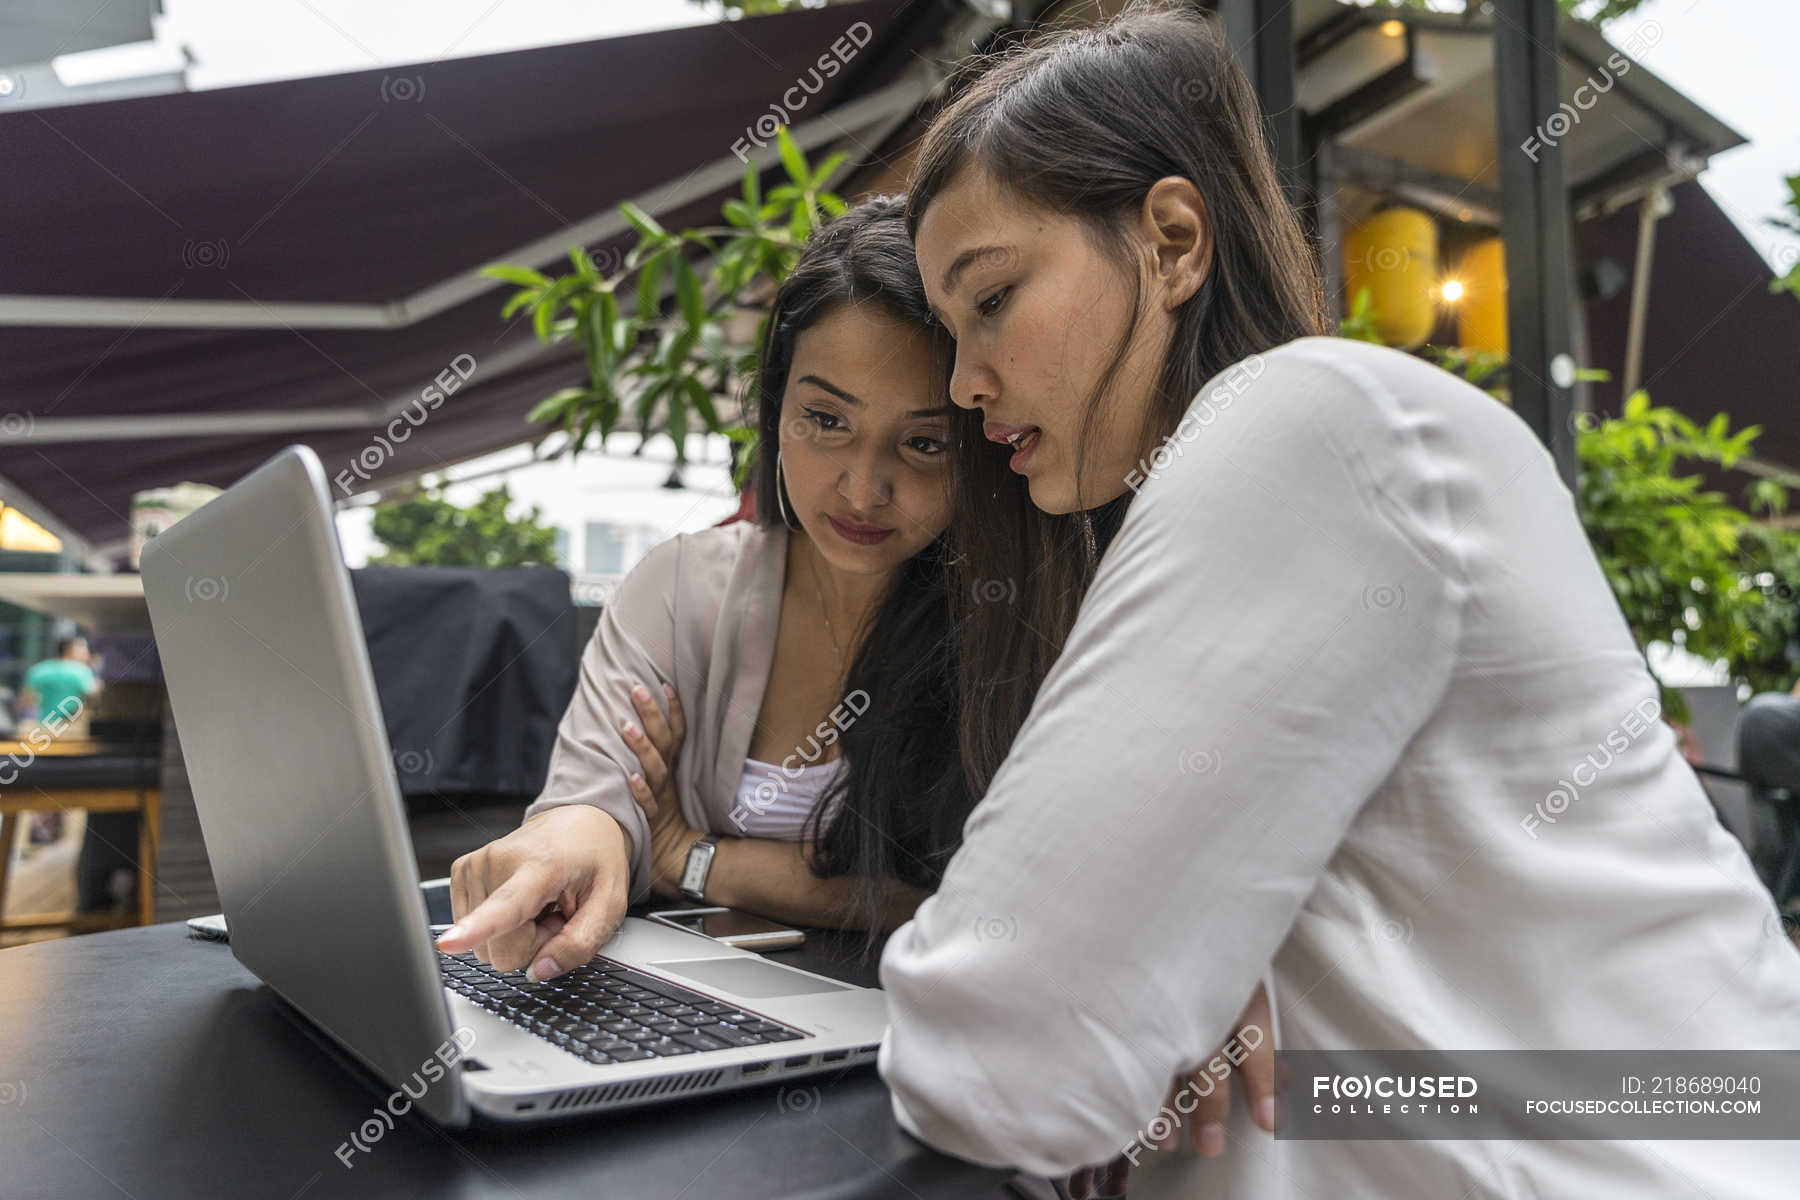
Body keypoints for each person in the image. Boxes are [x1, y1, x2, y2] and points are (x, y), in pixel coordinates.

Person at [874, 5, 1800, 1196]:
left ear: (1170, 241)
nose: (964, 381)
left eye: (991, 299)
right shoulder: (1288, 464)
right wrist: (1191, 979)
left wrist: (1128, 985)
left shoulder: (1318, 421)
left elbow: (996, 1063)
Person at [435, 197, 971, 977]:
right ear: (776, 406)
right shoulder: (684, 585)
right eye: (826, 420)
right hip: (725, 1011)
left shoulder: (1010, 617)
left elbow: (979, 898)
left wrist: (690, 856)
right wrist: (574, 838)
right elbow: (590, 799)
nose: (862, 490)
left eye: (924, 443)